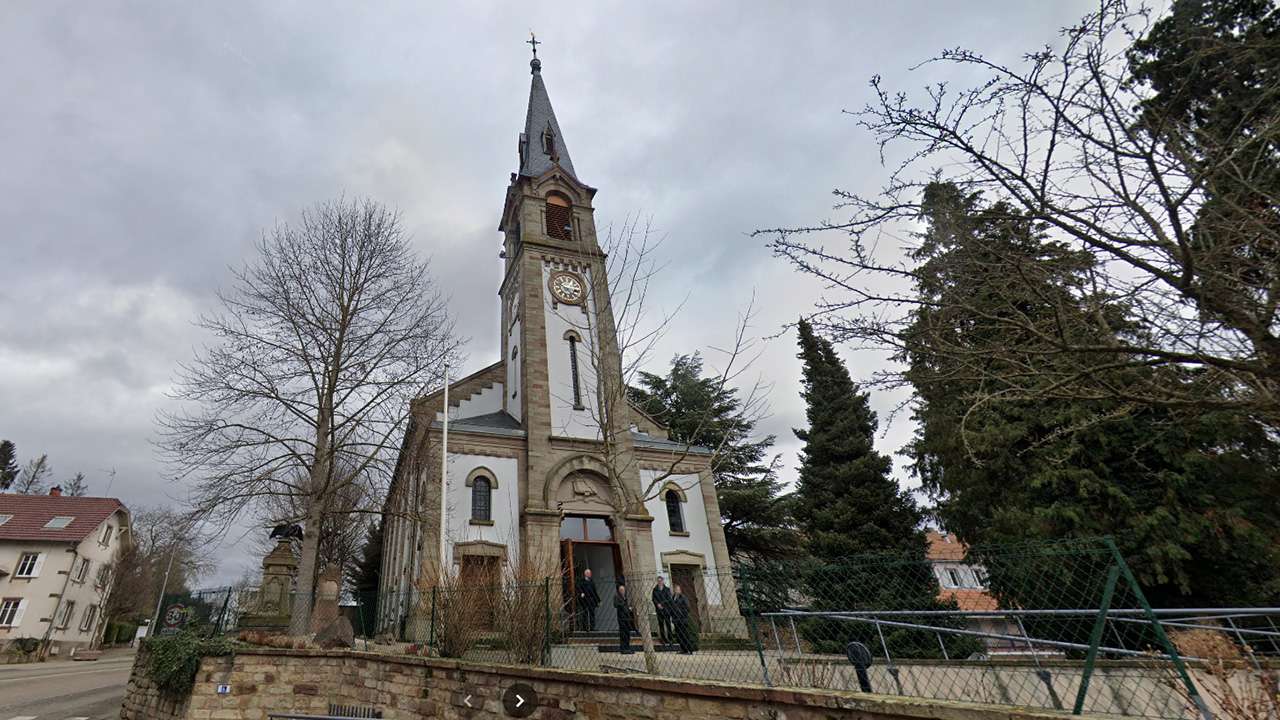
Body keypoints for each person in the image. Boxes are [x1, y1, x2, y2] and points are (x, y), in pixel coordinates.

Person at [670, 584, 693, 654]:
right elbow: (672, 607)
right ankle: (683, 649)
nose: (676, 591)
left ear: (680, 590)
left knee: (685, 635)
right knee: (679, 635)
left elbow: (687, 608)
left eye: (678, 589)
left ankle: (689, 649)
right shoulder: (673, 597)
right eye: (675, 589)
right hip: (676, 620)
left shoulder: (683, 597)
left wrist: (682, 615)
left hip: (682, 620)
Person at [651, 576, 674, 645]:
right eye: (658, 581)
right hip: (659, 610)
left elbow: (669, 599)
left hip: (666, 610)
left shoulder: (667, 589)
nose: (659, 582)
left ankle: (670, 639)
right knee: (661, 625)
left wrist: (662, 604)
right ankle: (663, 639)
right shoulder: (655, 590)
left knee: (668, 624)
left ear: (663, 581)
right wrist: (657, 604)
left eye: (661, 581)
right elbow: (653, 598)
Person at [614, 583, 635, 654]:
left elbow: (627, 606)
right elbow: (616, 605)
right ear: (619, 590)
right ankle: (623, 648)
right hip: (621, 618)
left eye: (623, 590)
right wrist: (623, 603)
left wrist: (629, 609)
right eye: (621, 590)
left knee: (627, 633)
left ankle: (627, 647)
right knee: (623, 633)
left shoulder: (625, 597)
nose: (622, 591)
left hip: (627, 617)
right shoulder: (617, 596)